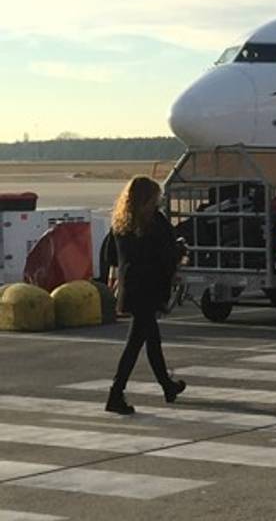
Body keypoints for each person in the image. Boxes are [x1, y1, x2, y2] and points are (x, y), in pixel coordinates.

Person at [105, 176, 186, 415]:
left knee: (152, 340)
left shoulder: (120, 223)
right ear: (148, 200)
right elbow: (167, 254)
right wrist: (179, 252)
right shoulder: (155, 222)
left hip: (132, 287)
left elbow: (111, 255)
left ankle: (167, 386)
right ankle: (115, 393)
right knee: (135, 343)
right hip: (149, 288)